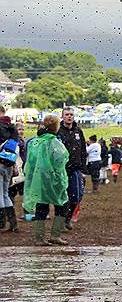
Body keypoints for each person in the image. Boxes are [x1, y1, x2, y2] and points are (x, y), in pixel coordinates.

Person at [23, 115, 69, 245]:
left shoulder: (34, 142)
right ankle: (55, 235)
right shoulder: (55, 142)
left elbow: (30, 162)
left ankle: (39, 238)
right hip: (53, 179)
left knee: (41, 206)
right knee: (62, 204)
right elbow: (62, 159)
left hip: (38, 180)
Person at [56, 107, 87, 231]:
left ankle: (68, 218)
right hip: (61, 169)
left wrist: (84, 169)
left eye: (71, 114)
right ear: (62, 116)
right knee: (63, 196)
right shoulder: (58, 131)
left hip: (75, 169)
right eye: (67, 114)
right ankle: (61, 221)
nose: (69, 116)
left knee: (77, 196)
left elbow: (83, 150)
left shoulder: (78, 131)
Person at [0, 105, 21, 232]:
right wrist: (14, 165)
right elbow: (15, 148)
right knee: (5, 193)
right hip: (9, 163)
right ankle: (13, 224)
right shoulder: (12, 128)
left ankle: (1, 223)